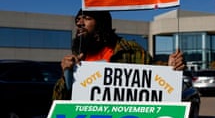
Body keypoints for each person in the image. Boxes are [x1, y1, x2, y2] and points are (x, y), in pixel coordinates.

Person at [53, 9, 185, 100]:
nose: (79, 23)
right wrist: (67, 74)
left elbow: (153, 81)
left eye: (87, 18)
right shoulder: (79, 57)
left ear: (101, 23)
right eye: (78, 19)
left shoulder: (129, 50)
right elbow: (59, 101)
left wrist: (170, 69)